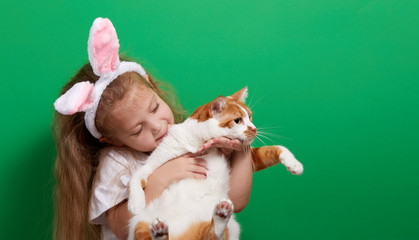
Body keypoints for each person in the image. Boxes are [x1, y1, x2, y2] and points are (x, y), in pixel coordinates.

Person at [52, 18, 253, 240]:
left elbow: (236, 200)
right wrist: (160, 177)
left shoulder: (188, 140)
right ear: (113, 140)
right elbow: (121, 228)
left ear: (153, 87)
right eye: (138, 130)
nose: (158, 126)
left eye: (155, 107)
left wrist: (242, 145)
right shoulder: (118, 161)